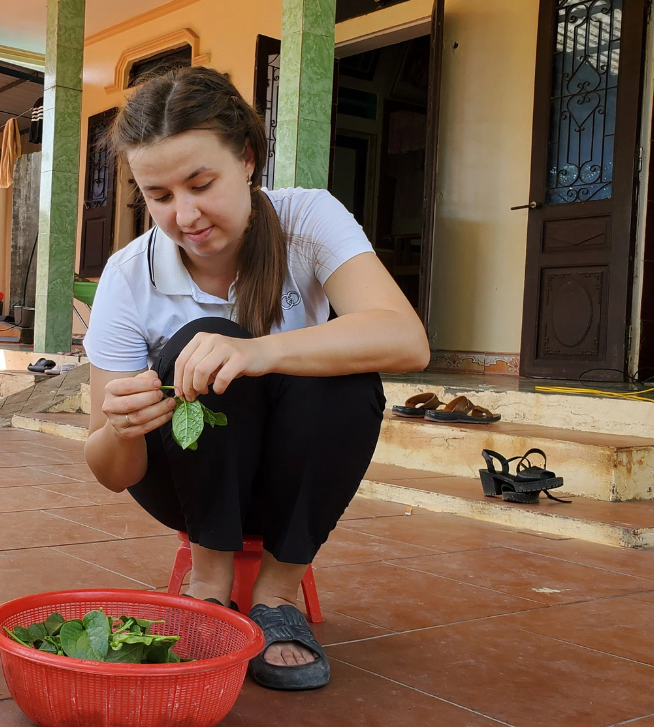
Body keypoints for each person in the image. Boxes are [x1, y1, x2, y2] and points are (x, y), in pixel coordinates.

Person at [82, 66, 430, 691]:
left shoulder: (308, 220)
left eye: (201, 183)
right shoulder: (128, 276)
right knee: (197, 343)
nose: (184, 215)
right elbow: (112, 472)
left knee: (342, 370)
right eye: (159, 196)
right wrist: (122, 427)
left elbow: (406, 340)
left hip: (293, 481)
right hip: (186, 487)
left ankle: (278, 594)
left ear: (246, 159)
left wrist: (261, 352)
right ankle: (208, 582)